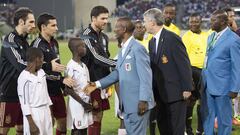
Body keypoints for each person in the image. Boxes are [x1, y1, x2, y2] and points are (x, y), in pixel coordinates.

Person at [84, 17, 155, 135]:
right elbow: (117, 73)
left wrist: (143, 100)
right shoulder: (123, 49)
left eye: (117, 27)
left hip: (138, 103)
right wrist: (96, 84)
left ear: (124, 29)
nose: (114, 30)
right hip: (127, 105)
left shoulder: (138, 48)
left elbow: (146, 77)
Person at [143, 8, 193, 135]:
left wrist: (187, 88)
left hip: (175, 93)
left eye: (145, 21)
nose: (144, 24)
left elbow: (184, 64)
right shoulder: (151, 41)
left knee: (176, 129)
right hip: (160, 94)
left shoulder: (172, 38)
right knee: (163, 126)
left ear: (152, 22)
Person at [31, 13, 74, 135]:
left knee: (63, 122)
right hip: (44, 91)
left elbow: (57, 67)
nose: (57, 28)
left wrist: (62, 85)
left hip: (56, 90)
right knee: (48, 123)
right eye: (53, 25)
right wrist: (61, 80)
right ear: (43, 27)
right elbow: (36, 71)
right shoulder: (37, 44)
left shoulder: (55, 43)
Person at [201, 9, 240, 135]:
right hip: (207, 84)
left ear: (223, 22)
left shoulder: (233, 39)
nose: (210, 22)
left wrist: (235, 88)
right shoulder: (211, 36)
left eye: (213, 20)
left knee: (224, 120)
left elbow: (237, 66)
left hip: (223, 86)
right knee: (207, 118)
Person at [81, 6, 116, 135]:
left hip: (101, 82)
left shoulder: (104, 37)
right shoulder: (86, 36)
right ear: (93, 18)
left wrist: (108, 82)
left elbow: (105, 57)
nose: (106, 21)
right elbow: (96, 57)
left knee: (99, 115)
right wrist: (117, 64)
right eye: (103, 18)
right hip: (89, 82)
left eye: (107, 18)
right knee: (92, 115)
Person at [0, 7, 35, 135]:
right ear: (21, 22)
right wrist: (45, 67)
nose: (34, 25)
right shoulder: (10, 40)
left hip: (23, 92)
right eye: (31, 22)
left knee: (21, 128)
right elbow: (20, 64)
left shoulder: (24, 42)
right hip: (9, 91)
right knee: (4, 129)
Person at [182, 13, 208, 135]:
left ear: (201, 22)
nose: (193, 24)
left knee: (203, 101)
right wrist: (188, 77)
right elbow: (183, 58)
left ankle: (200, 130)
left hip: (205, 72)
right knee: (190, 101)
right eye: (191, 22)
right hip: (191, 71)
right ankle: (187, 129)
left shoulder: (206, 35)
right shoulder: (186, 37)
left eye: (196, 21)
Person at [17, 48, 53, 135]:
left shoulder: (41, 72)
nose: (43, 62)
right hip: (34, 114)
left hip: (46, 111)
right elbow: (24, 103)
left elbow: (46, 93)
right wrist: (31, 124)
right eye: (42, 59)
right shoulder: (24, 77)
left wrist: (50, 112)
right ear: (37, 59)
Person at [65, 38, 93, 135]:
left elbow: (88, 84)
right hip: (77, 103)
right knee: (77, 129)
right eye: (84, 47)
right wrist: (83, 103)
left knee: (84, 128)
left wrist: (90, 100)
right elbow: (68, 90)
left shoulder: (84, 65)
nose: (86, 49)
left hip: (86, 102)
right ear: (77, 49)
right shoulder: (71, 66)